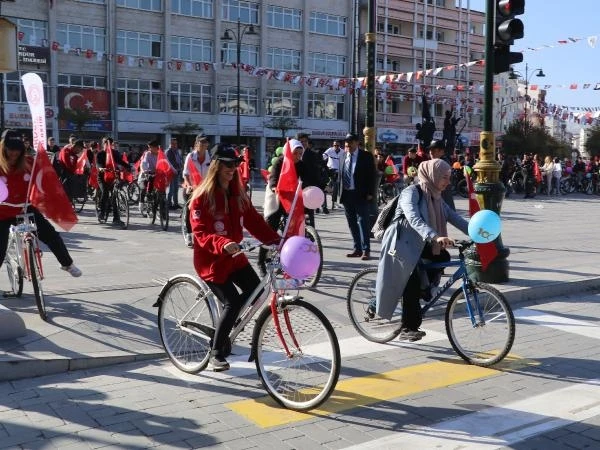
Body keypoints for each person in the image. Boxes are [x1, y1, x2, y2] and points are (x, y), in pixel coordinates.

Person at [189, 144, 280, 371]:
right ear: (217, 166)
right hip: (212, 262)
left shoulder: (238, 193)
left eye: (236, 164)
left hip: (235, 258)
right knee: (232, 302)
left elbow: (255, 222)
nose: (232, 169)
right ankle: (216, 352)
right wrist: (223, 243)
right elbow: (199, 233)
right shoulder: (202, 196)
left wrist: (278, 240)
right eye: (227, 164)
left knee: (257, 291)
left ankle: (227, 327)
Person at [375, 159, 468, 341]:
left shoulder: (437, 197)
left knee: (442, 255)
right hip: (402, 242)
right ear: (431, 175)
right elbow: (413, 218)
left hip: (421, 241)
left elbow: (455, 218)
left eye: (449, 178)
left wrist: (479, 233)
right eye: (444, 177)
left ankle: (425, 290)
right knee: (412, 279)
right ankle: (408, 328)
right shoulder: (411, 192)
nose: (448, 182)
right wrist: (435, 237)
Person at [0, 130, 82, 278]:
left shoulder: (29, 162)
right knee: (0, 249)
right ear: (3, 147)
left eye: (17, 149)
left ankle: (67, 264)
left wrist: (44, 163)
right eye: (10, 149)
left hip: (25, 208)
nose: (14, 153)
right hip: (2, 213)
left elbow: (45, 179)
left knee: (51, 235)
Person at [257, 139, 305, 276]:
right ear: (289, 152)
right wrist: (273, 187)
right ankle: (261, 261)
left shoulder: (301, 164)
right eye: (295, 153)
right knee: (270, 226)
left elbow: (309, 178)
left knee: (293, 228)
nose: (298, 157)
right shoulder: (280, 161)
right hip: (277, 196)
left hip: (292, 198)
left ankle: (287, 260)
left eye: (300, 154)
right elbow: (273, 177)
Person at [339, 133, 376, 261]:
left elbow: (372, 176)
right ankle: (357, 249)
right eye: (346, 143)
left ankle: (366, 250)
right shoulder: (343, 156)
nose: (347, 145)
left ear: (356, 143)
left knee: (363, 222)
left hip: (361, 195)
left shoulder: (366, 156)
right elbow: (341, 175)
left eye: (350, 142)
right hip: (347, 194)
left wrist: (371, 193)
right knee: (352, 223)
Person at [181, 134, 211, 247]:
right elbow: (185, 174)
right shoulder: (190, 156)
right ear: (196, 144)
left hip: (204, 187)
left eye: (205, 143)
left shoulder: (210, 156)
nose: (203, 145)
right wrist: (189, 185)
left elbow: (212, 173)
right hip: (192, 187)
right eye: (201, 142)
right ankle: (189, 234)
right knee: (191, 209)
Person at [96, 137, 129, 228]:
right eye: (106, 143)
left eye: (110, 143)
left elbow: (120, 161)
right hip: (102, 177)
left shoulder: (114, 153)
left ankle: (116, 218)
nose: (108, 145)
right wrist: (101, 168)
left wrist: (128, 166)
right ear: (103, 144)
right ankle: (101, 213)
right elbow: (98, 164)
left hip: (113, 177)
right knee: (105, 192)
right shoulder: (100, 154)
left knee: (115, 196)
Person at [297, 132, 327, 217]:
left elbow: (316, 172)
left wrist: (322, 185)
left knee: (309, 215)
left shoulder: (313, 155)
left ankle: (310, 228)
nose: (303, 143)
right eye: (301, 141)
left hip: (308, 189)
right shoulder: (292, 154)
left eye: (305, 141)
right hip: (295, 189)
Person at [428, 140, 456, 211]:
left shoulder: (442, 163)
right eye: (430, 150)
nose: (431, 152)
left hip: (442, 196)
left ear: (442, 151)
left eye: (434, 150)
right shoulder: (435, 161)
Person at [138, 140, 160, 216]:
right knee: (144, 188)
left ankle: (159, 207)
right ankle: (141, 205)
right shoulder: (147, 154)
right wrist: (144, 171)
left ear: (156, 147)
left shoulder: (161, 154)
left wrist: (173, 171)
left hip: (156, 174)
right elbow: (143, 163)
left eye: (151, 147)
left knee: (159, 190)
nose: (149, 149)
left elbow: (167, 163)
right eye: (149, 147)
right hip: (146, 174)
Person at [322, 140, 342, 210]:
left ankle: (334, 201)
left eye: (337, 145)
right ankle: (324, 203)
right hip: (330, 170)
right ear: (333, 145)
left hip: (338, 171)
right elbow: (323, 156)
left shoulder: (343, 152)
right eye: (334, 145)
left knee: (336, 186)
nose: (336, 147)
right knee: (327, 186)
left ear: (339, 146)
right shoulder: (330, 150)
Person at [165, 137, 183, 209]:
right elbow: (170, 163)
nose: (175, 145)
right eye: (173, 143)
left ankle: (175, 203)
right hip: (171, 173)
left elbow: (179, 160)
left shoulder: (177, 151)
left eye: (176, 143)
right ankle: (169, 204)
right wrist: (178, 166)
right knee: (171, 189)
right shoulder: (168, 152)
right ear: (170, 144)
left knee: (176, 189)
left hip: (177, 172)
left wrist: (181, 165)